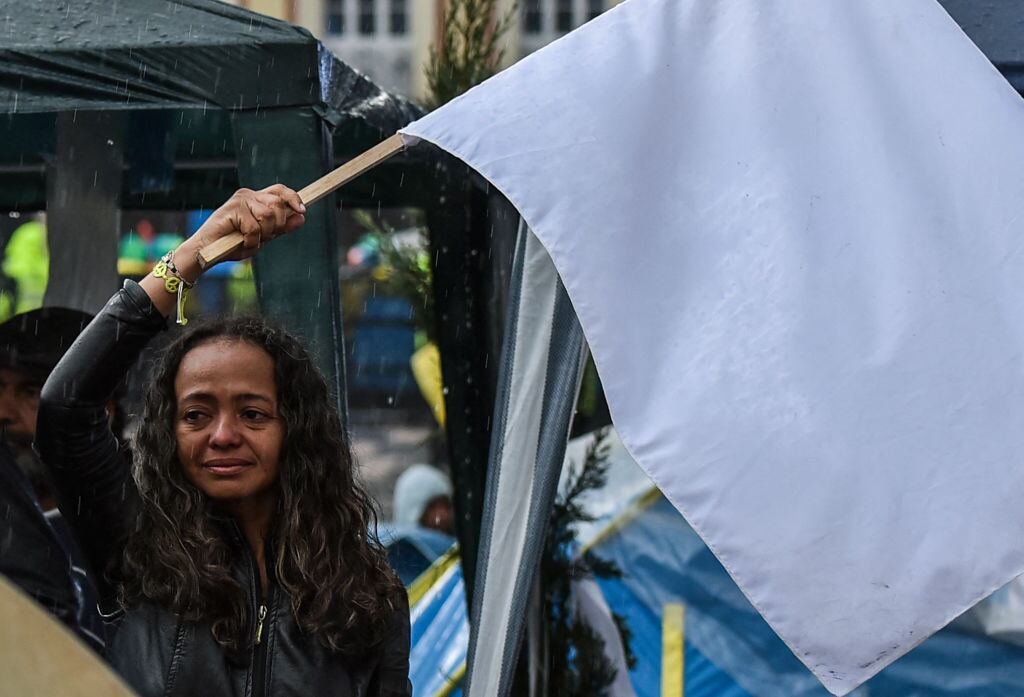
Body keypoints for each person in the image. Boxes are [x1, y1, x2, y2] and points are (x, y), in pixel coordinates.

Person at [36, 185, 411, 697]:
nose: (223, 435)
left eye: (252, 413)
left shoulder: (365, 589)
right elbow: (65, 407)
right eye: (196, 414)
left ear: (295, 430)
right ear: (171, 432)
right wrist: (192, 257)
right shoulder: (139, 546)